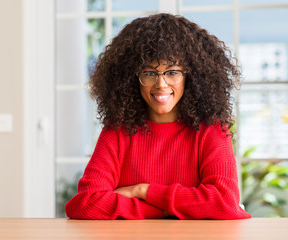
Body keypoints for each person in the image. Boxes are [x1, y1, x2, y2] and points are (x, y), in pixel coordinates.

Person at [65, 13, 252, 220]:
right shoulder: (118, 130)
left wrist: (142, 191)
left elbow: (224, 202)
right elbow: (85, 204)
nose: (161, 84)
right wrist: (163, 211)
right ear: (131, 79)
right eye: (149, 73)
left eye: (172, 72)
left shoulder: (211, 129)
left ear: (191, 76)